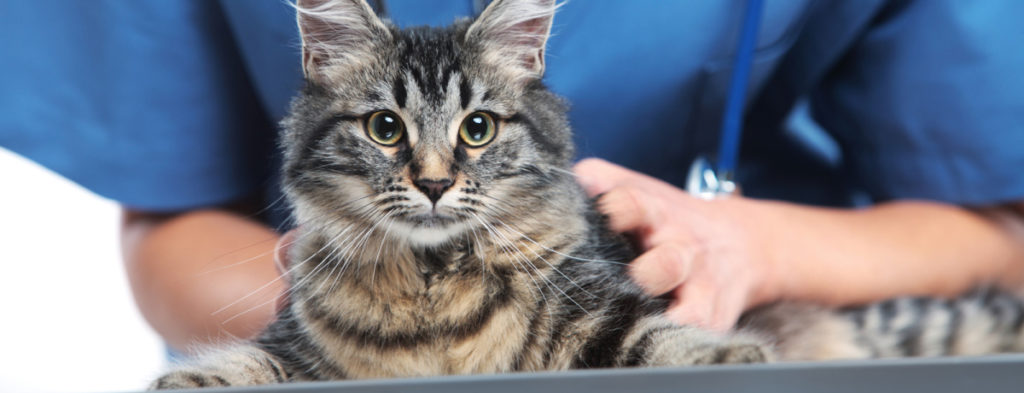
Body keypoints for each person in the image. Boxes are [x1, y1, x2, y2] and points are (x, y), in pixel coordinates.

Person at [3, 0, 1024, 354]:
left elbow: (1002, 229)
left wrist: (751, 246)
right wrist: (354, 307)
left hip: (752, 324)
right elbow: (167, 217)